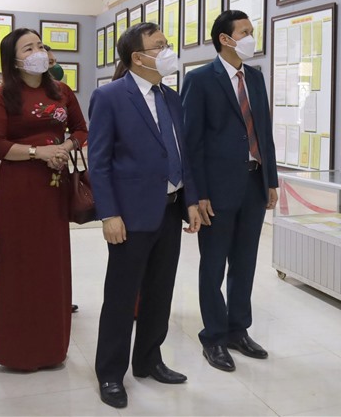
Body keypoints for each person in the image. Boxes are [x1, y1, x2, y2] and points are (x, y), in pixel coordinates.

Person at [88, 23, 202, 409]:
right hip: (130, 215)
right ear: (138, 57)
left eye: (167, 44)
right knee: (121, 297)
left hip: (169, 210)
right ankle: (110, 373)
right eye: (160, 46)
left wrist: (190, 200)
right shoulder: (109, 97)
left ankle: (149, 359)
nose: (168, 51)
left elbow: (182, 154)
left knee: (160, 291)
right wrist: (109, 214)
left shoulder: (171, 97)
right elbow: (99, 162)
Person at [180, 10, 279, 372]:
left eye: (252, 31)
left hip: (254, 183)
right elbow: (191, 142)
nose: (252, 37)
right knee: (213, 264)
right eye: (245, 32)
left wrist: (271, 180)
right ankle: (214, 336)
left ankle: (238, 329)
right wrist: (198, 193)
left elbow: (264, 131)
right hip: (216, 190)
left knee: (245, 261)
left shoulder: (255, 77)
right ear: (225, 39)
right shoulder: (200, 80)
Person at [0, 28, 87, 371]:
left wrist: (64, 147)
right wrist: (37, 152)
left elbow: (81, 130)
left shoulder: (61, 91)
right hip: (19, 186)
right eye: (28, 48)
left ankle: (51, 348)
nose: (38, 52)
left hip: (54, 186)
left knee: (51, 262)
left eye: (40, 45)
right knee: (21, 263)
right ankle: (19, 351)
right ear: (13, 59)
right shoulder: (2, 96)